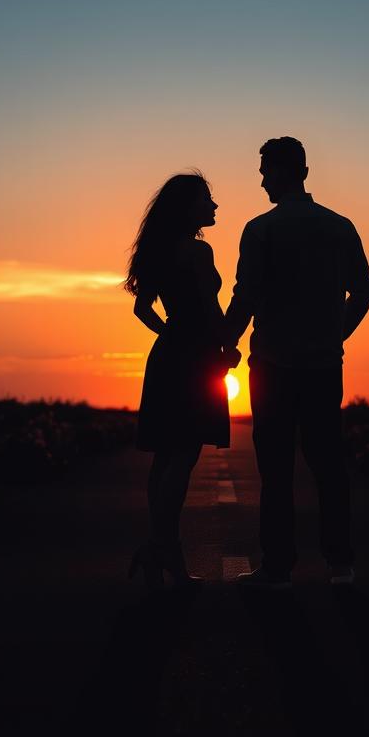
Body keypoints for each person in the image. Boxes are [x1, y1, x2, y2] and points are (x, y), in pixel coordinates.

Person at [224, 137, 369, 588]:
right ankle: (341, 564)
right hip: (324, 366)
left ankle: (277, 566)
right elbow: (364, 291)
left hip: (272, 365)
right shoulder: (339, 226)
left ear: (283, 172)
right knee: (328, 465)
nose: (262, 179)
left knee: (275, 469)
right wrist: (336, 333)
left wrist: (221, 348)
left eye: (265, 170)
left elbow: (244, 298)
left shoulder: (259, 229)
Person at [124, 170, 241, 590]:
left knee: (165, 456)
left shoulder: (159, 251)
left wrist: (171, 335)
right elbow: (210, 309)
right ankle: (163, 548)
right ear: (187, 207)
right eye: (207, 200)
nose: (214, 207)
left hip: (169, 353)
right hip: (194, 356)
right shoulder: (196, 252)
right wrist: (226, 345)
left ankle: (160, 549)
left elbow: (142, 311)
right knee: (183, 453)